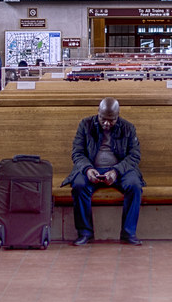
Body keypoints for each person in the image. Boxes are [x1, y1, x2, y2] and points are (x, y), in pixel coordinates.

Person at [61, 97, 144, 246]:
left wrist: (116, 171)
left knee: (134, 186)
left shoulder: (128, 128)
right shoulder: (85, 125)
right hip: (92, 168)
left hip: (120, 170)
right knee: (79, 185)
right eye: (103, 118)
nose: (106, 123)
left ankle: (128, 233)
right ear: (98, 113)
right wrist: (88, 169)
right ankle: (85, 232)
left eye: (111, 120)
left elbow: (134, 156)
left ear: (117, 116)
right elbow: (77, 153)